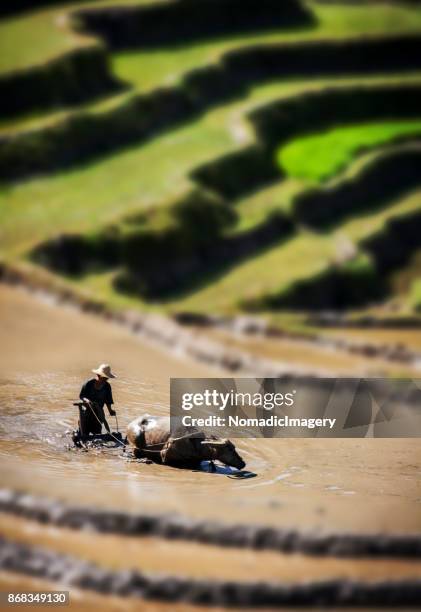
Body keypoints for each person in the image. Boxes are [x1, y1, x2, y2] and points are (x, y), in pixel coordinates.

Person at [78, 364, 117, 437]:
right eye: (104, 378)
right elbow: (82, 396)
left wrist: (110, 410)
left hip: (99, 413)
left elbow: (108, 400)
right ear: (98, 375)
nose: (105, 380)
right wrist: (87, 400)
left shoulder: (107, 386)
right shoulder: (89, 383)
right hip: (87, 412)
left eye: (107, 378)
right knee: (84, 434)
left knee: (97, 435)